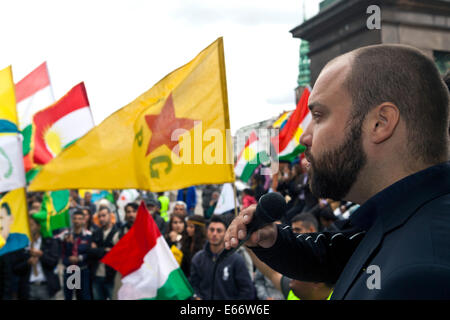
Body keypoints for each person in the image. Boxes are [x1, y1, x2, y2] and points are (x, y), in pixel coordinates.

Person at [224, 44, 450, 299]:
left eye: (319, 116)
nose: (305, 138)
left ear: (380, 123)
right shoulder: (403, 216)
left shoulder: (422, 276)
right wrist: (274, 240)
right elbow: (344, 254)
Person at [190, 215, 255, 300]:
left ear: (226, 233)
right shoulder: (198, 259)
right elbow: (193, 285)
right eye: (212, 230)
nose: (214, 234)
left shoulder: (236, 260)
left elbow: (247, 291)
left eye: (219, 231)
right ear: (207, 231)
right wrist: (196, 296)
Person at [11, 217, 61, 300]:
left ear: (39, 226)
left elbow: (54, 262)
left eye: (32, 225)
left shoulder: (49, 242)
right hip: (28, 288)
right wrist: (28, 262)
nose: (29, 228)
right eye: (27, 225)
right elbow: (15, 268)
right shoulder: (21, 244)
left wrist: (41, 255)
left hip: (46, 287)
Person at [88, 206, 120, 300]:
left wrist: (98, 249)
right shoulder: (96, 233)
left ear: (110, 216)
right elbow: (90, 251)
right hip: (96, 275)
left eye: (104, 215)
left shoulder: (117, 232)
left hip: (111, 276)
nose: (101, 219)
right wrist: (105, 250)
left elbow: (116, 253)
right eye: (100, 216)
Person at [60, 210, 92, 300]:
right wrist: (66, 260)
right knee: (69, 296)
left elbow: (90, 252)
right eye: (75, 219)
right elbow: (61, 251)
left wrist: (80, 258)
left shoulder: (88, 235)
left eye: (80, 219)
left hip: (82, 270)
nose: (77, 221)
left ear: (83, 220)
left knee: (83, 296)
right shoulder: (66, 235)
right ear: (72, 220)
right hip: (70, 270)